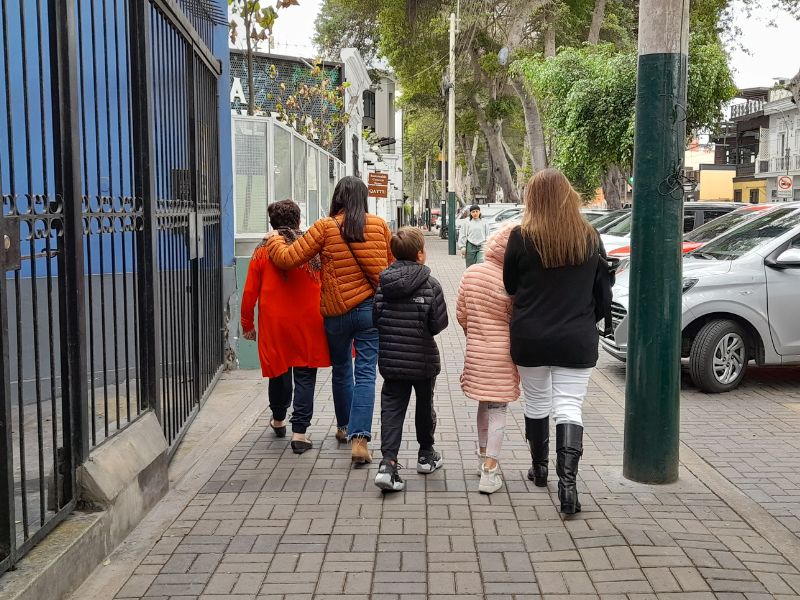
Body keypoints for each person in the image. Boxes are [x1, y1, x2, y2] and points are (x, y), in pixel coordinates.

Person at [503, 168, 612, 515]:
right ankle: (568, 488)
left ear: (532, 199)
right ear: (569, 196)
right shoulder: (590, 237)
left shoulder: (521, 237)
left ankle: (539, 469)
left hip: (530, 336)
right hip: (575, 337)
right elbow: (602, 293)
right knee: (569, 406)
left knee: (536, 403)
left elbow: (509, 286)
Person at [266, 176, 393, 465]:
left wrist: (274, 239)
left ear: (337, 198)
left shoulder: (324, 227)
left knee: (341, 369)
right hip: (369, 310)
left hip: (336, 313)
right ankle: (359, 439)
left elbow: (288, 259)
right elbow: (390, 264)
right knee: (366, 374)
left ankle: (344, 426)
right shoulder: (379, 225)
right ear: (362, 199)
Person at [240, 199, 330, 454]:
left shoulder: (262, 251)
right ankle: (300, 433)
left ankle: (279, 419)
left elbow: (249, 293)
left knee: (278, 371)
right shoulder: (311, 248)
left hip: (274, 323)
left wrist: (247, 323)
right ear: (299, 221)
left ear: (271, 223)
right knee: (305, 375)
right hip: (309, 321)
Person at [372, 227, 448, 492]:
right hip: (424, 361)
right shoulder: (431, 285)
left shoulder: (384, 284)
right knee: (424, 406)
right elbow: (438, 324)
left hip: (392, 360)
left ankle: (387, 464)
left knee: (391, 408)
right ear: (420, 254)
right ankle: (426, 454)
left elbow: (376, 319)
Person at [456, 223, 519, 494]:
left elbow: (461, 314)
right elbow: (517, 320)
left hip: (477, 350)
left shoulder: (472, 273)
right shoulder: (513, 282)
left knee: (484, 402)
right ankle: (490, 470)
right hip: (503, 354)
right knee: (499, 410)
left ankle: (483, 456)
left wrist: (475, 333)